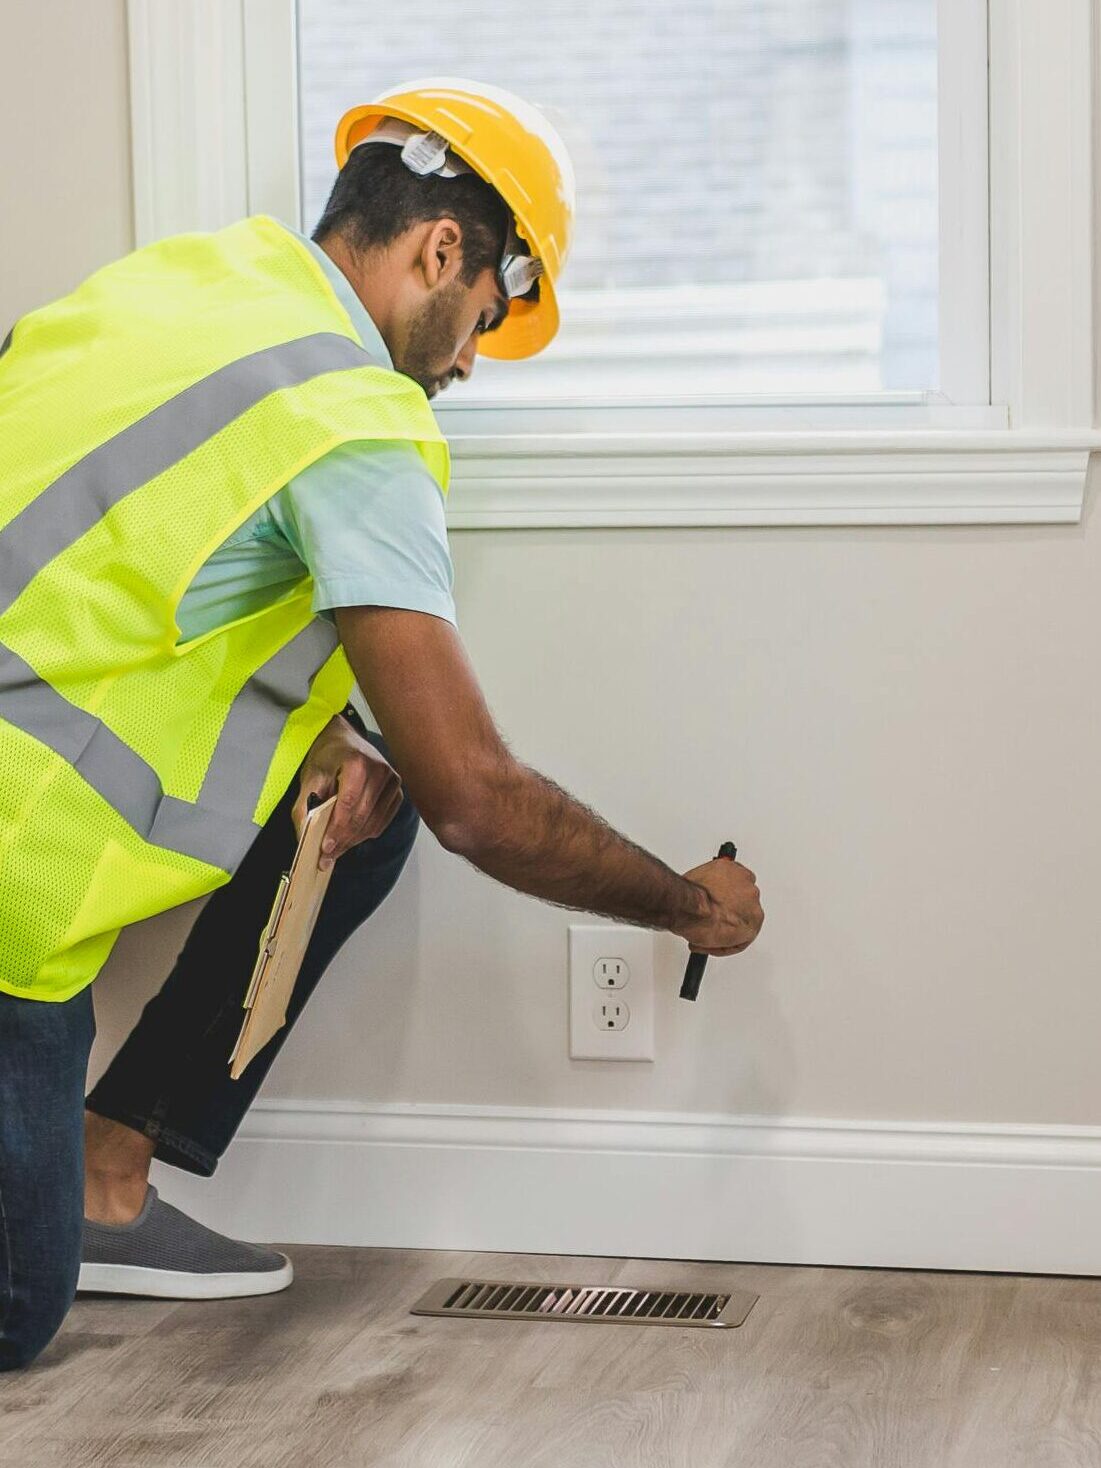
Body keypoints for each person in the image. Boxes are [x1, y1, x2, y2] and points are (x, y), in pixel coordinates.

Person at [0, 79, 764, 1371]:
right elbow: (477, 796)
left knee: (367, 802)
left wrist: (324, 742)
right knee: (19, 1319)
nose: (468, 357)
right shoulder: (354, 421)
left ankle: (103, 1178)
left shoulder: (171, 286)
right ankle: (71, 1204)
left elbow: (102, 572)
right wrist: (689, 909)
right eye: (486, 317)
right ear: (445, 250)